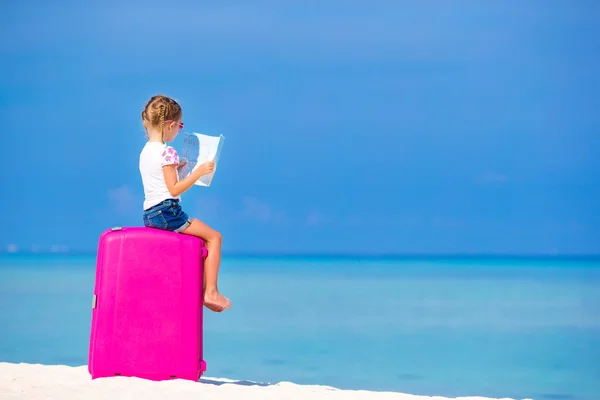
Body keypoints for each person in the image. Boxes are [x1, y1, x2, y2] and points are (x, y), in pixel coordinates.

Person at [138, 94, 231, 313]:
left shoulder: (146, 151)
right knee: (214, 237)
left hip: (150, 213)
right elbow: (174, 189)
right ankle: (211, 292)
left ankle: (201, 289)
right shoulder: (167, 151)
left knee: (203, 239)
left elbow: (159, 181)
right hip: (167, 212)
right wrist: (198, 171)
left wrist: (178, 169)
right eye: (180, 126)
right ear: (169, 125)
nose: (180, 130)